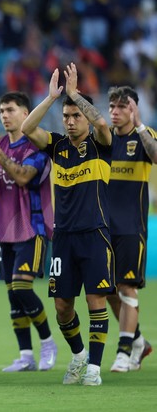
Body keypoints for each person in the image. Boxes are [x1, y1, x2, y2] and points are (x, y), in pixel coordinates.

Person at [21, 63, 113, 386]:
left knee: (95, 302)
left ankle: (95, 369)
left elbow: (102, 123)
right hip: (63, 238)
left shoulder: (101, 145)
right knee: (62, 306)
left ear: (84, 117)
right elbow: (27, 128)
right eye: (67, 116)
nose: (71, 121)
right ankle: (78, 355)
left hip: (95, 234)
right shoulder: (57, 146)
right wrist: (51, 98)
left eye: (76, 116)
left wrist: (75, 95)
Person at [0, 92, 57, 372]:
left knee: (22, 287)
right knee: (12, 294)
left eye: (10, 110)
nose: (4, 115)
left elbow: (22, 177)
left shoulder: (37, 147)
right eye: (1, 110)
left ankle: (47, 342)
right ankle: (26, 355)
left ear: (25, 113)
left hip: (31, 227)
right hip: (4, 229)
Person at [106, 86, 155, 372]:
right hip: (103, 228)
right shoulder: (104, 139)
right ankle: (137, 342)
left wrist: (140, 126)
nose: (115, 111)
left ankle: (124, 352)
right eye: (112, 106)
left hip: (131, 227)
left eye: (122, 106)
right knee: (109, 290)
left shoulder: (145, 137)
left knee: (127, 287)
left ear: (134, 109)